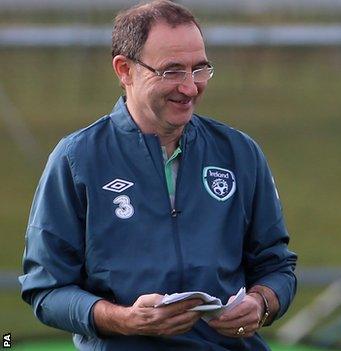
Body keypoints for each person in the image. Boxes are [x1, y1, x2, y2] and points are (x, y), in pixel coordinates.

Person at [19, 1, 297, 349]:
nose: (190, 87)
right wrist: (126, 320)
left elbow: (277, 266)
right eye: (172, 71)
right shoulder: (77, 158)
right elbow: (46, 290)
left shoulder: (239, 152)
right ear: (124, 70)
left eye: (199, 68)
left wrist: (262, 303)